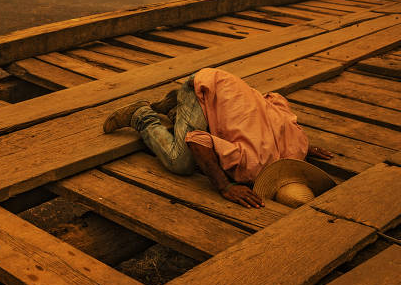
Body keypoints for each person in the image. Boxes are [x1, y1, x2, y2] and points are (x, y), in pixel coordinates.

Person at [102, 67, 334, 208]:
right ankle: (141, 115)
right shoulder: (252, 166)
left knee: (218, 131)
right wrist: (225, 186)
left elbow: (275, 98)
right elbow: (197, 140)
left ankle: (176, 110)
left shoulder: (299, 145)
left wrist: (305, 149)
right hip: (204, 87)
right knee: (180, 162)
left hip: (226, 86)